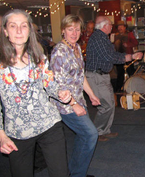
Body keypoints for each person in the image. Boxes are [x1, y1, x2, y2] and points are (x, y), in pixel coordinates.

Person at [0, 9, 71, 177]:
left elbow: (49, 83)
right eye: (13, 26)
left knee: (61, 173)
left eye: (23, 26)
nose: (18, 31)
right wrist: (1, 135)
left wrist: (61, 92)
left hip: (49, 124)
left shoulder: (37, 56)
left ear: (29, 30)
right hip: (18, 132)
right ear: (5, 31)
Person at [50, 14, 101, 177]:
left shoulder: (77, 48)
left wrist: (91, 95)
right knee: (90, 134)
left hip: (78, 99)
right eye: (70, 29)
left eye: (77, 29)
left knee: (83, 135)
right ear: (63, 31)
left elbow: (81, 75)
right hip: (64, 104)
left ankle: (74, 171)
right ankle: (77, 173)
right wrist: (74, 104)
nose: (74, 33)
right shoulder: (59, 51)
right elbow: (57, 85)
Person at [85, 16, 142, 142]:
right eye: (110, 24)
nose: (112, 27)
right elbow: (109, 56)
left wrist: (129, 56)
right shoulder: (98, 38)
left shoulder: (102, 38)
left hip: (101, 75)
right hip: (96, 76)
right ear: (104, 26)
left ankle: (104, 130)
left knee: (110, 103)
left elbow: (111, 55)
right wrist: (129, 57)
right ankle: (97, 132)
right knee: (106, 105)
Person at [114, 20, 139, 91]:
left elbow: (136, 43)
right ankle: (119, 90)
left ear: (125, 27)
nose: (120, 28)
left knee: (131, 73)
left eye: (121, 26)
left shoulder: (129, 34)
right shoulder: (116, 35)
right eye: (119, 27)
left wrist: (128, 45)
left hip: (128, 57)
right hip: (119, 57)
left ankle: (134, 88)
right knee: (120, 75)